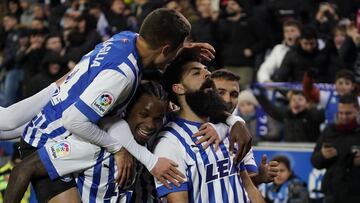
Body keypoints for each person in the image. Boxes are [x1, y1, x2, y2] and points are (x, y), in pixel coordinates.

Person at [5, 8, 215, 203]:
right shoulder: (121, 77)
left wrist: (183, 49)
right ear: (166, 48)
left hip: (53, 118)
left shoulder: (126, 38)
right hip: (52, 139)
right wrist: (118, 149)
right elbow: (74, 120)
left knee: (6, 123)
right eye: (176, 50)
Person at [154, 50, 261, 202]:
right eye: (196, 73)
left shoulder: (227, 128)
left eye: (206, 70)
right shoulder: (169, 143)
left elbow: (248, 187)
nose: (207, 74)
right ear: (178, 88)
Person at [210, 69, 279, 185]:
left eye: (234, 95)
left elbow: (245, 179)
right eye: (220, 92)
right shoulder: (185, 128)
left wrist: (259, 177)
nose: (227, 100)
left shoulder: (241, 130)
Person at [311, 93, 360, 203]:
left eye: (348, 113)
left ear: (357, 110)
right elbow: (314, 161)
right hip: (332, 193)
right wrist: (322, 156)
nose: (343, 117)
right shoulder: (329, 130)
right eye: (341, 113)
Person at [254, 87, 325, 142]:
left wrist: (311, 107)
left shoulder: (312, 114)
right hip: (290, 151)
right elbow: (269, 107)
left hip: (309, 152)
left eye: (300, 99)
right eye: (293, 100)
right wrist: (258, 94)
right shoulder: (286, 114)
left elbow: (321, 115)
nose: (296, 102)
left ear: (307, 103)